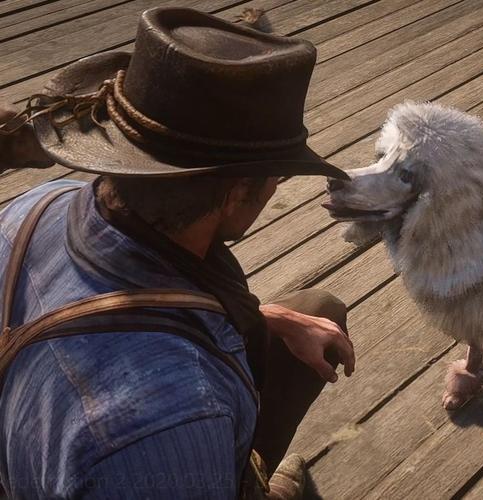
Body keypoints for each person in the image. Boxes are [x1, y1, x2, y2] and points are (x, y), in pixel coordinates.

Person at [0, 7, 355, 499]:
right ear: (239, 194)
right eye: (281, 174)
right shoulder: (168, 417)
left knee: (314, 313)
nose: (278, 188)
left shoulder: (35, 206)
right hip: (149, 456)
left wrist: (263, 315)